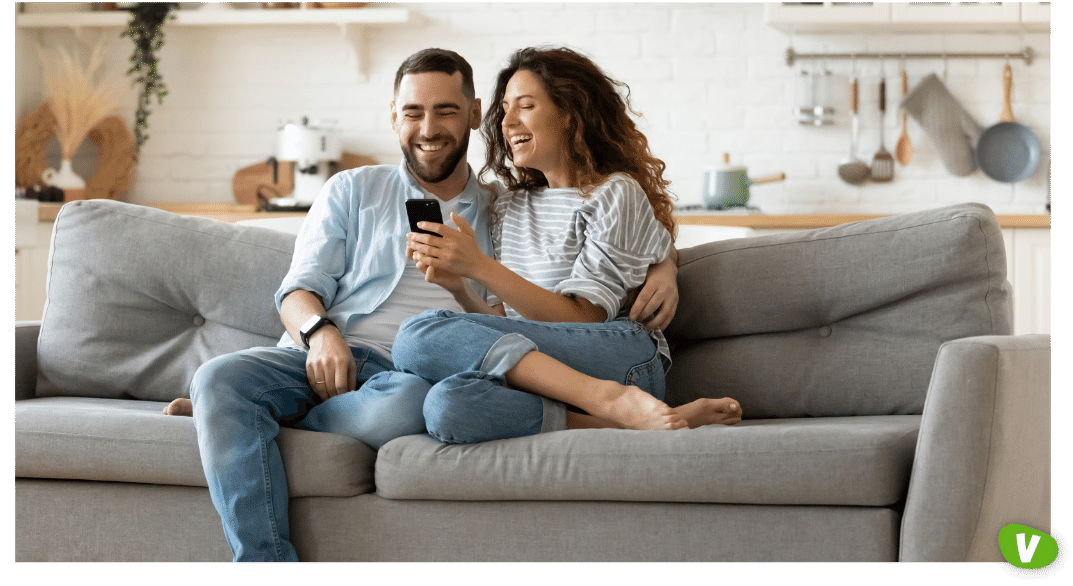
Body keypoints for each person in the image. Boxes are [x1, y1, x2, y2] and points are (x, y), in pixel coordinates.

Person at [179, 48, 680, 563]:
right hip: (321, 352)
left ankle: (244, 420)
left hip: (406, 376)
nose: (428, 128)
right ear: (394, 116)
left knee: (415, 396)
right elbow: (296, 290)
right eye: (413, 112)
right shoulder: (354, 189)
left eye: (445, 111)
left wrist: (667, 265)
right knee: (218, 378)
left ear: (471, 113)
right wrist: (320, 333)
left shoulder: (498, 205)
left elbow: (619, 227)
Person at [394, 46, 742, 445]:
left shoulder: (614, 194)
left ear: (570, 113)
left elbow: (584, 319)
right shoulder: (508, 205)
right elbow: (507, 326)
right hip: (545, 367)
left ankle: (611, 398)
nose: (506, 121)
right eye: (504, 108)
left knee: (416, 335)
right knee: (446, 406)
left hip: (618, 357)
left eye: (525, 106)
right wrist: (459, 286)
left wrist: (479, 267)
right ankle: (622, 420)